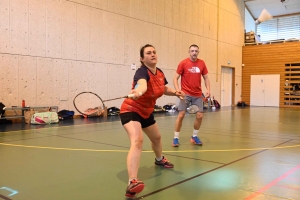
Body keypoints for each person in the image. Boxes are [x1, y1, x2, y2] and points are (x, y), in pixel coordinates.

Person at [120, 44, 184, 198]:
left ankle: (159, 159)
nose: (153, 54)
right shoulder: (142, 72)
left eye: (154, 52)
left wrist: (175, 91)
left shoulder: (160, 73)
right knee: (137, 140)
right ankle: (132, 182)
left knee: (157, 138)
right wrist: (138, 92)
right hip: (131, 110)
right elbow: (141, 84)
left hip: (146, 112)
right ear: (142, 58)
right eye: (148, 53)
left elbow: (163, 89)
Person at [172, 44, 210, 147]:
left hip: (197, 94)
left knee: (200, 115)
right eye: (192, 51)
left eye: (196, 51)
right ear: (189, 52)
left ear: (198, 52)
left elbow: (206, 77)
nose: (194, 52)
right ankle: (175, 138)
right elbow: (175, 78)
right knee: (181, 115)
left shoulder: (202, 63)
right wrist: (177, 90)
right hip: (185, 94)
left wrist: (208, 89)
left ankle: (194, 137)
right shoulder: (183, 63)